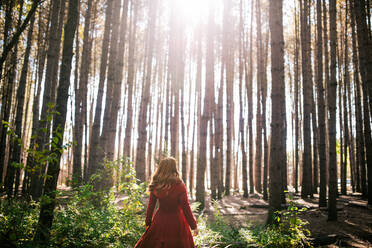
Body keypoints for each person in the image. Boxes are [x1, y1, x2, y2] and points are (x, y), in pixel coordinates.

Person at [134, 157, 198, 248]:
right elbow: (186, 207)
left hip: (160, 220)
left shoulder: (156, 184)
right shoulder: (179, 185)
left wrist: (148, 222)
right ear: (174, 168)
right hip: (177, 222)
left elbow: (151, 206)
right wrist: (193, 226)